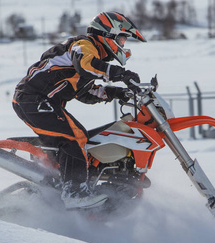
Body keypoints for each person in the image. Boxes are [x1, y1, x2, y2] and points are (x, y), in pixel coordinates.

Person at [12, 12, 147, 209]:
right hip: (33, 100)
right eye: (121, 39)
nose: (123, 45)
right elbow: (86, 65)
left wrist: (118, 93)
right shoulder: (84, 45)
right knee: (75, 137)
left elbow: (86, 92)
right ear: (107, 34)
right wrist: (120, 74)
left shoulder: (88, 57)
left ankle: (64, 179)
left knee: (80, 135)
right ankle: (75, 191)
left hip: (41, 102)